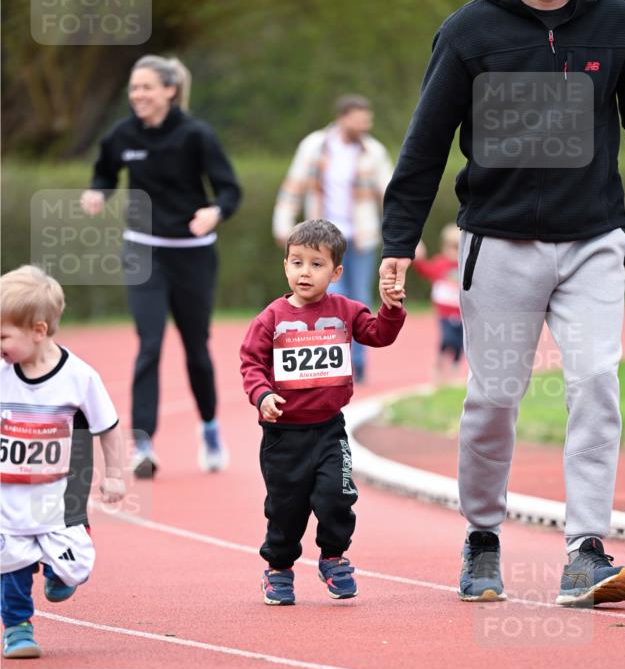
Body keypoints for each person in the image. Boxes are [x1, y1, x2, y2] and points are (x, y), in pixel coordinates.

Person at [379, 0, 625, 606]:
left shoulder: (616, 23)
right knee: (494, 398)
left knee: (595, 382)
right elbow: (425, 142)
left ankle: (585, 551)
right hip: (498, 244)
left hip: (593, 240)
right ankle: (482, 536)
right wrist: (399, 239)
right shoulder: (468, 32)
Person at [81, 55, 241, 478]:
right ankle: (143, 443)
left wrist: (214, 212)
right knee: (149, 345)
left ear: (170, 91)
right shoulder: (123, 135)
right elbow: (104, 173)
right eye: (134, 88)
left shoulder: (197, 136)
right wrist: (98, 194)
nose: (138, 96)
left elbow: (229, 189)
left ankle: (208, 426)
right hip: (143, 251)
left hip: (192, 253)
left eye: (146, 87)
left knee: (196, 350)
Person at [240, 219, 405, 605]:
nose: (305, 272)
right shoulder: (271, 319)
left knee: (337, 496)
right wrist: (262, 395)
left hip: (330, 430)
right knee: (286, 509)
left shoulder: (346, 310)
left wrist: (392, 307)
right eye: (297, 262)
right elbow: (251, 362)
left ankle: (333, 557)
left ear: (336, 273)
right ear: (285, 266)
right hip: (284, 436)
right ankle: (279, 568)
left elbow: (379, 334)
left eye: (316, 264)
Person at [0, 267, 125, 659]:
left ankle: (58, 568)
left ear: (38, 331)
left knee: (76, 570)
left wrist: (116, 476)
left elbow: (108, 428)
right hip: (10, 495)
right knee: (10, 562)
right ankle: (17, 627)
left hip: (62, 498)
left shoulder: (79, 377)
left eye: (4, 336)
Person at [272, 95, 393, 383]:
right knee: (322, 300)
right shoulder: (314, 146)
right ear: (343, 117)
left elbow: (389, 194)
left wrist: (406, 236)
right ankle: (330, 362)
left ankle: (357, 363)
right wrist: (283, 225)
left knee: (359, 299)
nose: (366, 124)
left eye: (368, 119)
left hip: (360, 237)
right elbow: (294, 186)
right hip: (321, 240)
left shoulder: (373, 151)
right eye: (360, 118)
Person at [412, 225, 464, 380]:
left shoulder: (466, 266)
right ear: (444, 247)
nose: (454, 252)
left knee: (460, 344)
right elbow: (425, 270)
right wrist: (418, 257)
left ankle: (455, 369)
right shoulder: (440, 264)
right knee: (447, 339)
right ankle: (440, 362)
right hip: (445, 314)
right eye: (451, 247)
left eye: (458, 248)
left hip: (462, 314)